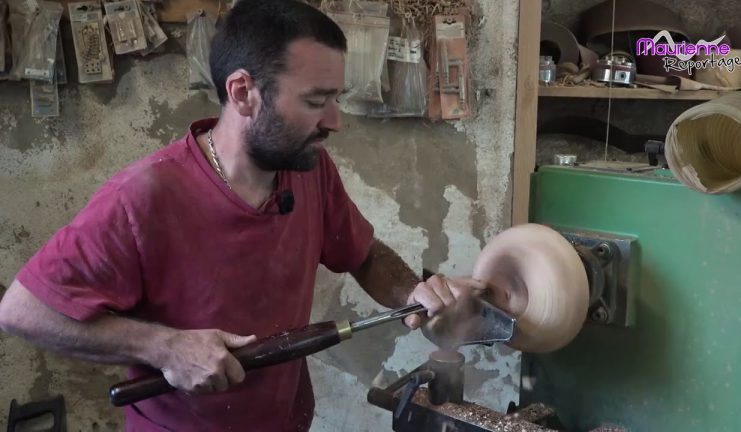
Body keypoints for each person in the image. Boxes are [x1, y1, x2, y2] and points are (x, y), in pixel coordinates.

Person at [0, 1, 483, 431]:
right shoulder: (144, 196)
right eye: (316, 101)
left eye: (335, 98)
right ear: (243, 92)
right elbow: (22, 311)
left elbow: (363, 253)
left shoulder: (309, 168)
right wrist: (163, 348)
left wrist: (410, 291)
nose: (336, 120)